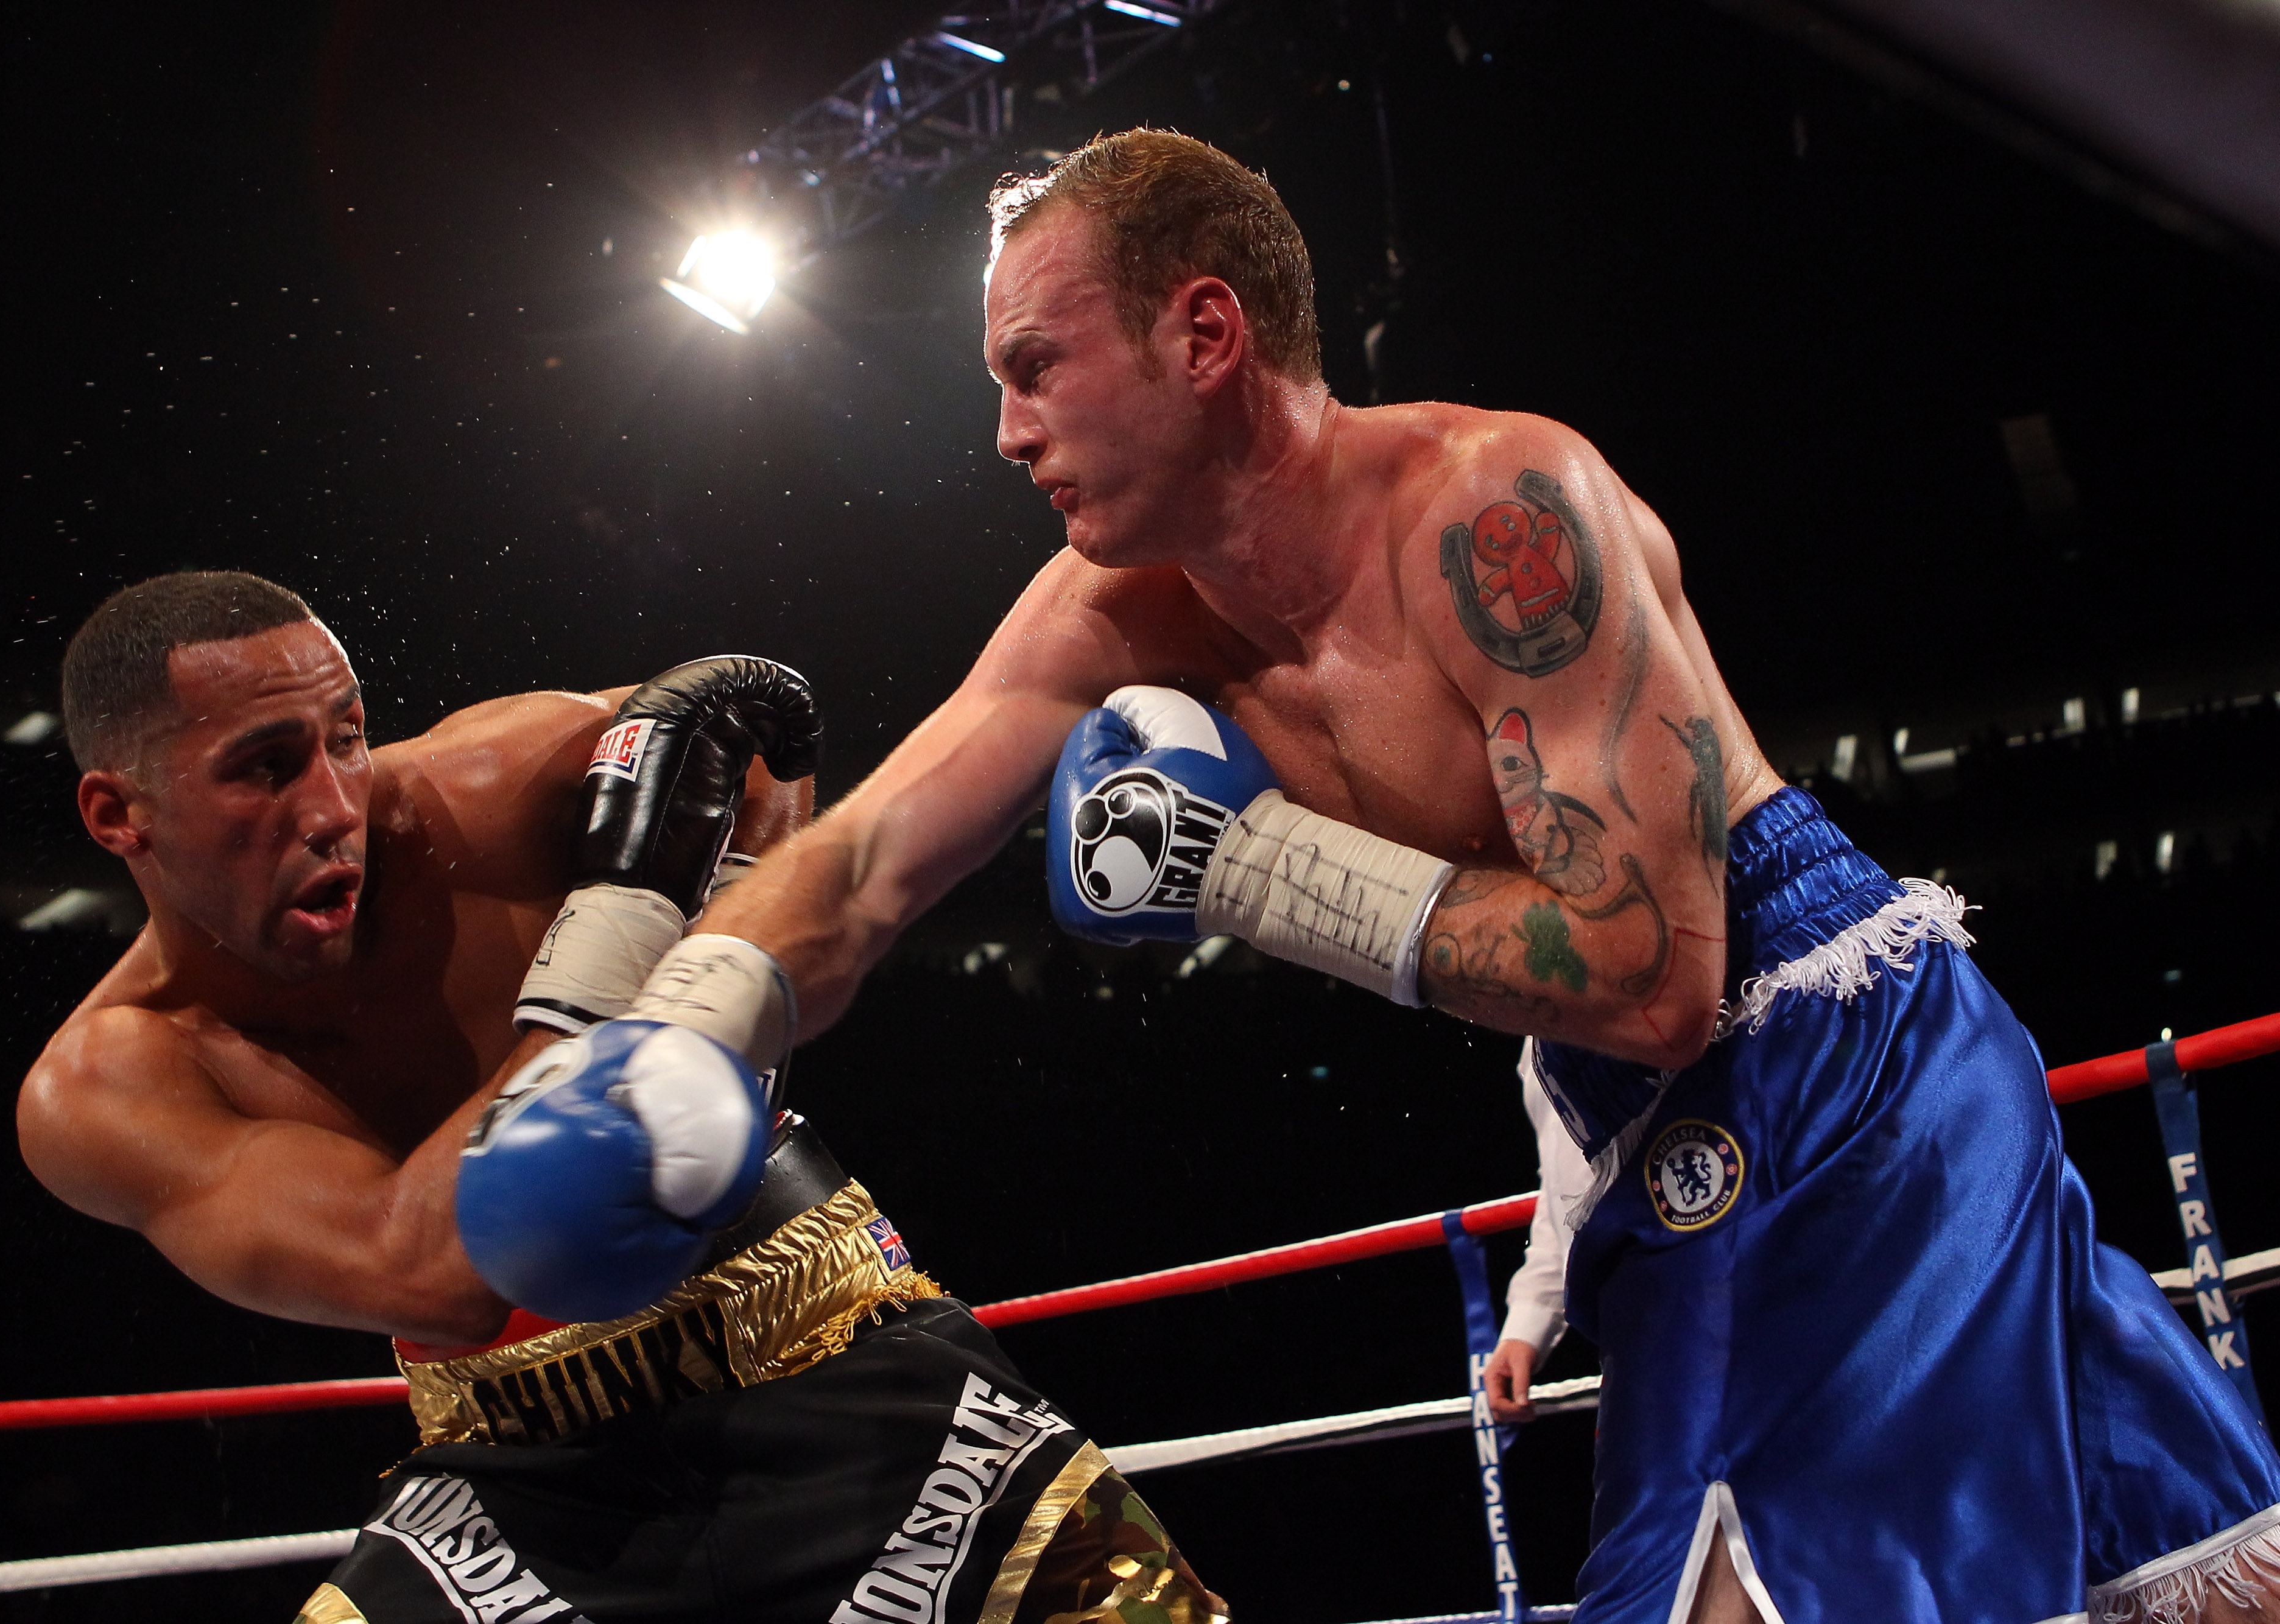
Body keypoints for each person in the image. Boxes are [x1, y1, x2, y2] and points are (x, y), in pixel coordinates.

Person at [571, 132, 2280, 1623]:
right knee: (2206, 1580)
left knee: (1724, 1585)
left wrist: (1246, 864)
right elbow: (865, 863)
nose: (1005, 430)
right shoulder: (1109, 612)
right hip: (1651, 1116)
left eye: (1034, 365)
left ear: (1203, 334)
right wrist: (670, 1030)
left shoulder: (1494, 514)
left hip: (1826, 1063)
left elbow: (1653, 971)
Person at [18, 571, 1223, 1624]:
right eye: (264, 768)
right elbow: (426, 1270)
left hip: (814, 1338)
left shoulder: (482, 791)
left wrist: (719, 1020)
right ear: (119, 812)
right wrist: (619, 927)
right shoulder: (113, 1082)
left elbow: (755, 732)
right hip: (526, 1469)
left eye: (345, 736)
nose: (333, 803)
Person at [1481, 1044, 1592, 1429]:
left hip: (1722, 1309)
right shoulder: (1537, 1042)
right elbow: (1565, 1188)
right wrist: (1530, 1320)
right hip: (1625, 1338)